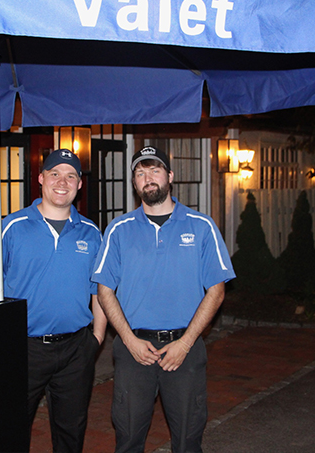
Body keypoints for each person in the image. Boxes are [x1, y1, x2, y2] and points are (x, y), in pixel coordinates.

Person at [92, 146, 236, 453]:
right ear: (134, 183)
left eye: (154, 170)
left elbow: (217, 290)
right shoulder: (118, 230)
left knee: (187, 440)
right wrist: (129, 341)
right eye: (140, 173)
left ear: (170, 176)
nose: (148, 178)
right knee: (128, 438)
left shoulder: (201, 226)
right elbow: (105, 289)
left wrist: (185, 344)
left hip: (184, 349)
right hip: (134, 352)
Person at [0, 149, 107, 453]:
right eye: (55, 174)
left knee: (71, 433)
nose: (63, 181)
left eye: (71, 175)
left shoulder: (91, 232)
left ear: (79, 185)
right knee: (9, 428)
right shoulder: (11, 227)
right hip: (23, 349)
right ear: (41, 179)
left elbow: (99, 292)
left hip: (76, 350)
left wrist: (96, 338)